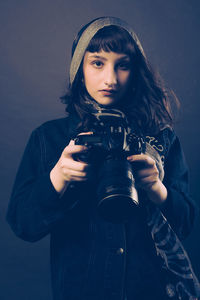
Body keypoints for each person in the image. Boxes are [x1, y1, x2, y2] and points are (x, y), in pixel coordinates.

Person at [6, 17, 200, 300]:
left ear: (135, 72)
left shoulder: (161, 138)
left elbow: (186, 225)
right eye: (97, 63)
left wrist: (157, 190)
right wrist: (57, 179)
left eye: (122, 65)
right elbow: (23, 225)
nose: (110, 79)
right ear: (79, 69)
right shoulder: (49, 138)